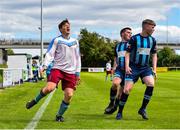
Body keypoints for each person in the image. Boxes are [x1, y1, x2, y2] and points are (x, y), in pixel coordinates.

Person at [26, 19, 81, 122]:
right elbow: (50, 54)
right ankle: (34, 101)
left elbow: (78, 57)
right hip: (58, 69)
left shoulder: (75, 41)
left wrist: (77, 73)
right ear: (61, 29)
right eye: (65, 26)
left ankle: (59, 116)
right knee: (49, 88)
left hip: (71, 72)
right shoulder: (56, 40)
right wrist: (44, 66)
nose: (68, 27)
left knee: (69, 95)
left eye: (68, 25)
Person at [116, 19, 157, 120]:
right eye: (152, 27)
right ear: (146, 26)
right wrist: (127, 66)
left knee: (151, 84)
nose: (153, 29)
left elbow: (154, 55)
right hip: (133, 67)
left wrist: (154, 69)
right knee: (126, 90)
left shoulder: (152, 40)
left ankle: (143, 109)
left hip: (145, 67)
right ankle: (120, 112)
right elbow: (127, 53)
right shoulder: (134, 39)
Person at [104, 27, 132, 114]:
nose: (130, 34)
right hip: (119, 69)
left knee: (121, 94)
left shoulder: (132, 45)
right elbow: (116, 58)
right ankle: (111, 103)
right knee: (115, 83)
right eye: (128, 32)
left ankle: (114, 108)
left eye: (131, 33)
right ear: (122, 34)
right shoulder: (117, 46)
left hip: (128, 71)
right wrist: (114, 67)